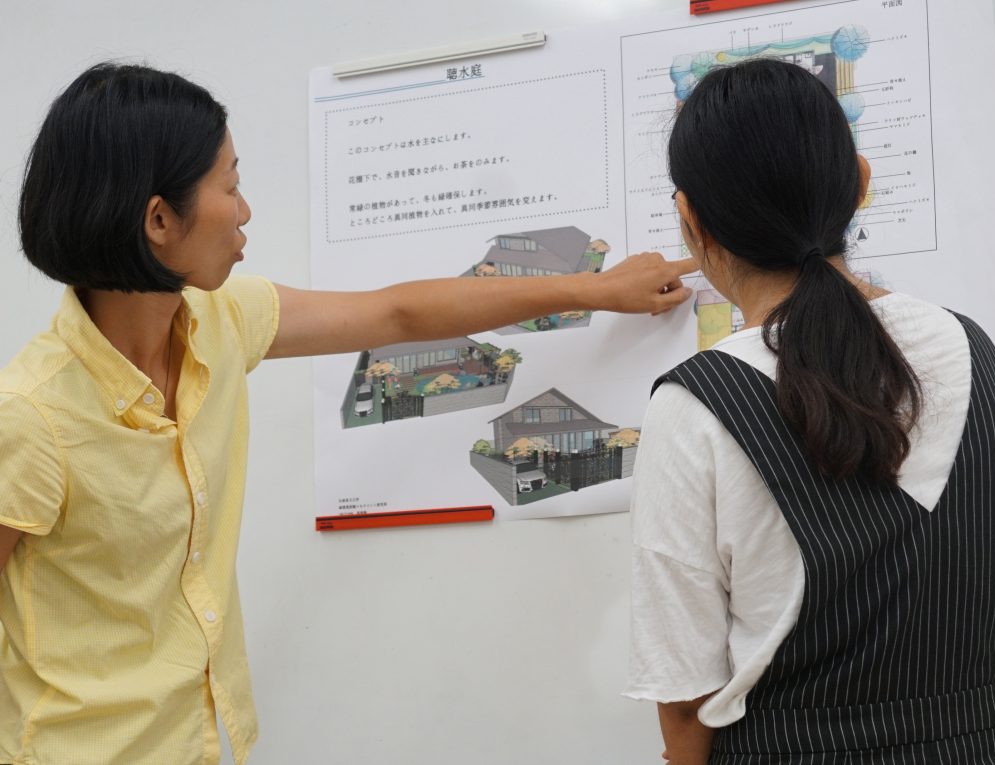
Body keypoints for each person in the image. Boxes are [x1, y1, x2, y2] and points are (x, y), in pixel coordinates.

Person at [0, 62, 694, 765]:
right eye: (230, 187)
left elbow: (398, 313)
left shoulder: (221, 322)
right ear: (159, 220)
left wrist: (593, 289)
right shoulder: (32, 415)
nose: (245, 211)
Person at [625, 58, 995, 764]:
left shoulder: (696, 403)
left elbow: (686, 700)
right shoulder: (975, 348)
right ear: (860, 182)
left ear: (691, 221)